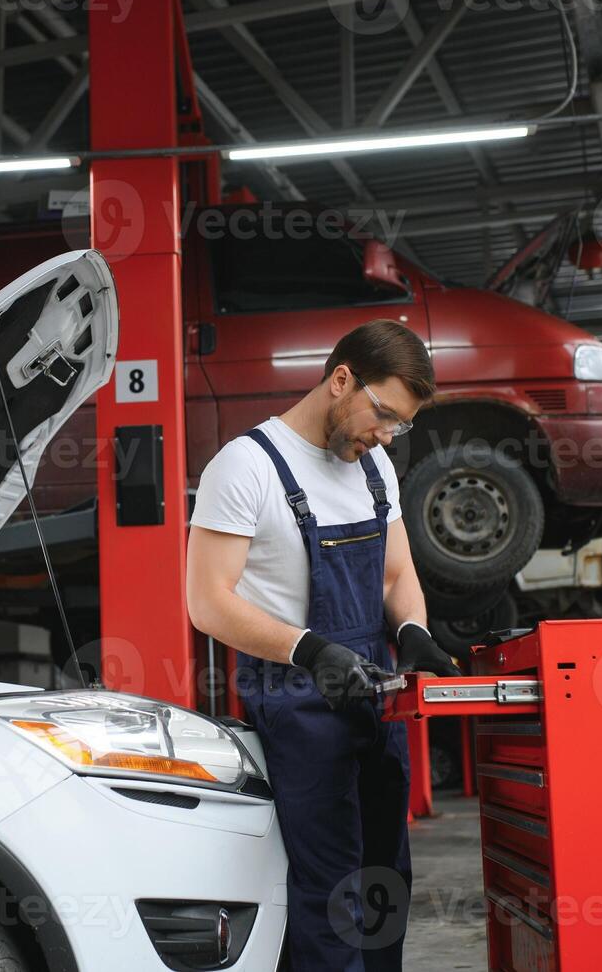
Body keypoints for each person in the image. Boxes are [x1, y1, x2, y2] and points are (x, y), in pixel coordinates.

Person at [186, 318, 460, 971]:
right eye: (383, 414)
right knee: (330, 891)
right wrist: (310, 652)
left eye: (400, 425)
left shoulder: (375, 468)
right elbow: (208, 601)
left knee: (383, 878)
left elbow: (395, 575)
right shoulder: (246, 465)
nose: (385, 434)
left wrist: (414, 631)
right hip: (296, 698)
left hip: (375, 693)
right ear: (340, 379)